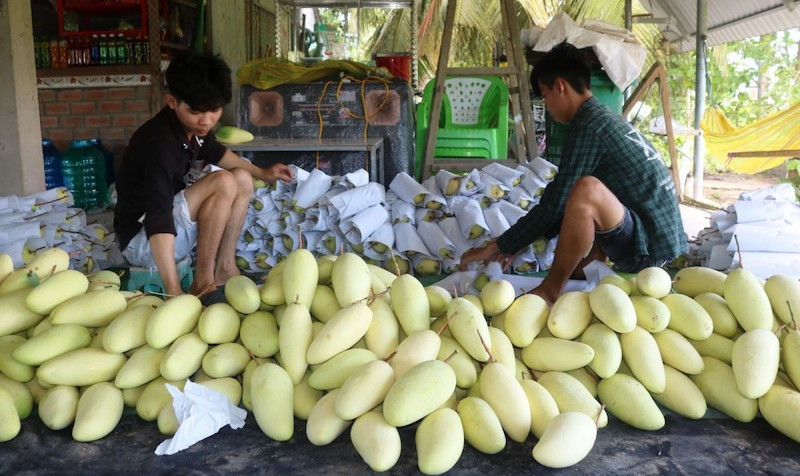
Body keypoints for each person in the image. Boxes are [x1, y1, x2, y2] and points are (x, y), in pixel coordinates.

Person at [460, 42, 686, 305]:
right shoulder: (602, 117)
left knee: (586, 191)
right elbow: (560, 207)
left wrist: (499, 245)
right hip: (657, 235)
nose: (548, 107)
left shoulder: (590, 127)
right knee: (586, 189)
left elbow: (556, 203)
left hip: (650, 250)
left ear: (560, 87)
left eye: (545, 96)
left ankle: (550, 289)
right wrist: (513, 244)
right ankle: (591, 262)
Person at [114, 52, 292, 296]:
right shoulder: (159, 144)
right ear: (172, 101)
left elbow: (216, 152)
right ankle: (202, 282)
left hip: (172, 236)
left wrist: (261, 172)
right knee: (223, 182)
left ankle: (224, 268)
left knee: (240, 178)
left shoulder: (192, 129)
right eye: (197, 112)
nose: (206, 121)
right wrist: (174, 291)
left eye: (215, 110)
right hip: (143, 243)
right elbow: (158, 217)